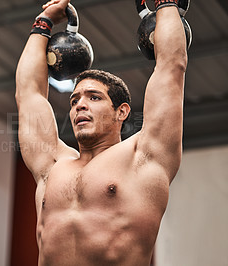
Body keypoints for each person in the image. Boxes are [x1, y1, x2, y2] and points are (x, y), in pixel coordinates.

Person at [15, 0, 188, 265]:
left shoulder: (143, 157)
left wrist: (166, 6)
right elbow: (28, 93)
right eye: (74, 101)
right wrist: (44, 22)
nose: (80, 105)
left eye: (94, 97)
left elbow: (171, 66)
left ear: (122, 111)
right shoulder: (52, 165)